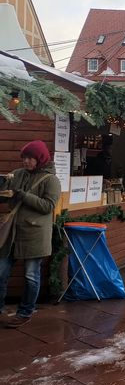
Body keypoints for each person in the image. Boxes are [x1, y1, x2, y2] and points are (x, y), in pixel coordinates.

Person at [0, 140, 62, 328]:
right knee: (1, 272)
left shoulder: (51, 180)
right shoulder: (18, 174)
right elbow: (7, 192)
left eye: (30, 158)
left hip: (35, 234)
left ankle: (25, 312)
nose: (25, 161)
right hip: (12, 233)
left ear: (39, 158)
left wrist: (23, 196)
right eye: (24, 158)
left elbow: (48, 206)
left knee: (31, 276)